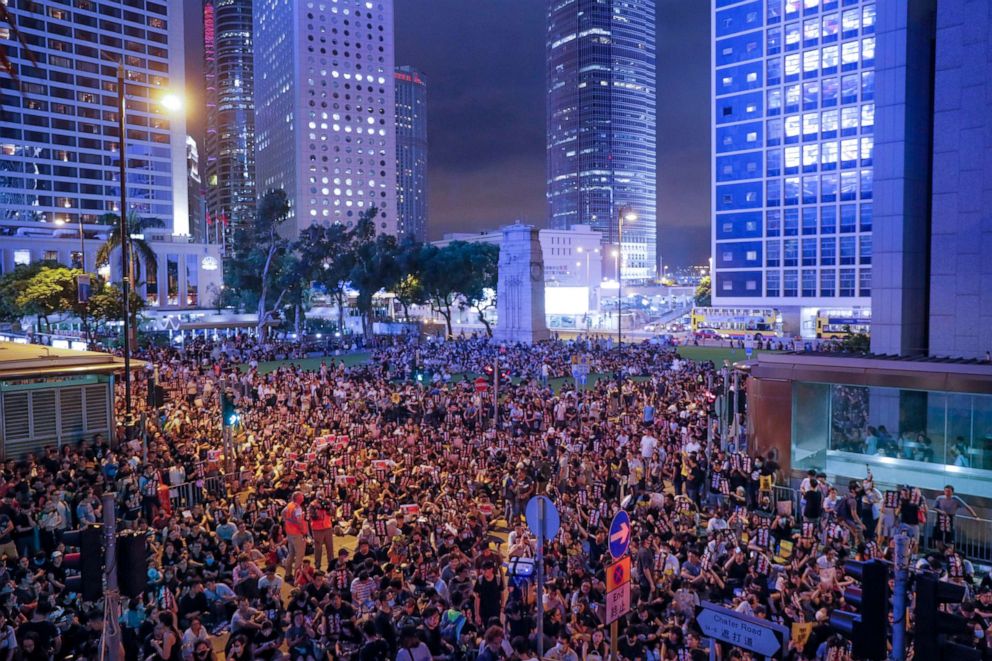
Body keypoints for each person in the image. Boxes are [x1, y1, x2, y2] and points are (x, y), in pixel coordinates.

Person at [281, 491, 308, 583]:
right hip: (297, 534)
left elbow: (282, 513)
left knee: (291, 554)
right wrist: (303, 531)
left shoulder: (289, 505)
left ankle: (288, 575)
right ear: (298, 498)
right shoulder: (297, 508)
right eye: (302, 496)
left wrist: (289, 520)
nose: (303, 497)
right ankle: (297, 578)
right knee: (299, 556)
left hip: (289, 533)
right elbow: (299, 522)